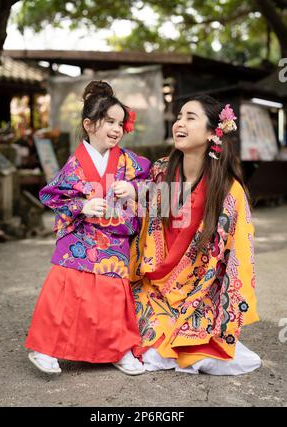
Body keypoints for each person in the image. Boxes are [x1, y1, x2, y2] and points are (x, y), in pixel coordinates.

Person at [25, 81, 151, 375]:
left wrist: (133, 188)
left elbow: (154, 179)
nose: (117, 129)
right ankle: (45, 349)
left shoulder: (130, 161)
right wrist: (81, 206)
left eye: (120, 123)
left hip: (113, 240)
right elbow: (51, 194)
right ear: (89, 124)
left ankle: (118, 350)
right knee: (65, 288)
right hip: (80, 236)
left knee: (111, 297)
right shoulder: (75, 164)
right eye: (109, 121)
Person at [130, 95, 262, 375]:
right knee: (121, 319)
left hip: (198, 293)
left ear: (213, 131)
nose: (180, 122)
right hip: (154, 285)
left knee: (199, 342)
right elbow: (145, 223)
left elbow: (237, 259)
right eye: (179, 116)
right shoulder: (162, 172)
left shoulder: (228, 191)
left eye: (191, 117)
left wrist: (225, 311)